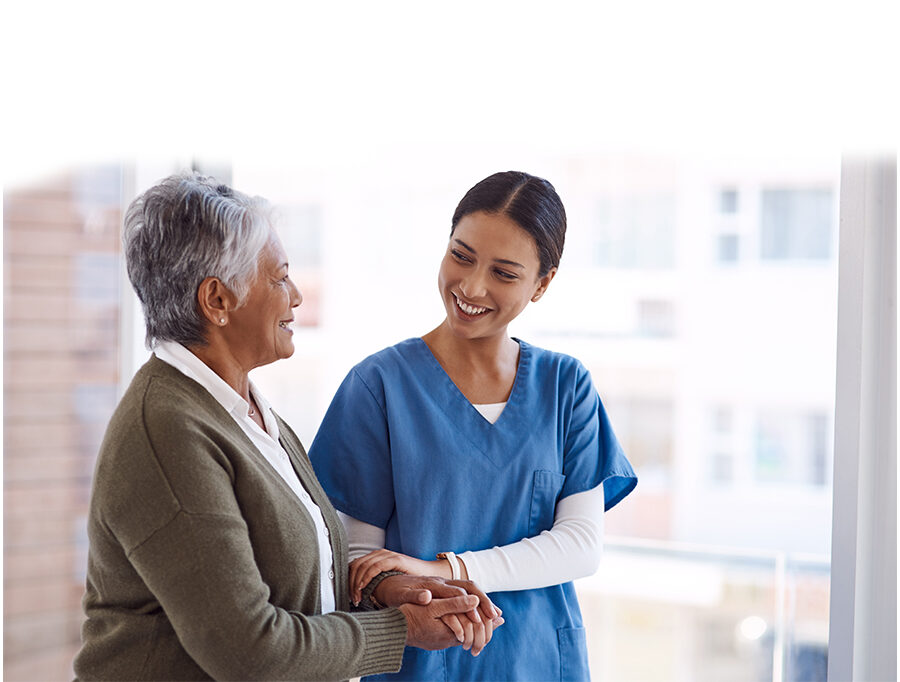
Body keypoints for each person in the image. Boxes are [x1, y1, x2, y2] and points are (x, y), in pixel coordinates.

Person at [73, 173, 503, 681]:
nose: (296, 296)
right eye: (278, 278)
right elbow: (250, 651)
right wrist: (399, 628)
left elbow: (287, 576)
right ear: (217, 301)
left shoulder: (242, 409)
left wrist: (384, 589)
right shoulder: (168, 430)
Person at [309, 170, 638, 681]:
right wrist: (409, 585)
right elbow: (360, 559)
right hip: (421, 662)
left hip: (539, 662)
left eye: (505, 273)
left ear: (542, 284)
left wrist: (448, 569)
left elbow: (580, 545)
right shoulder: (378, 386)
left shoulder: (565, 387)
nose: (472, 286)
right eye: (461, 256)